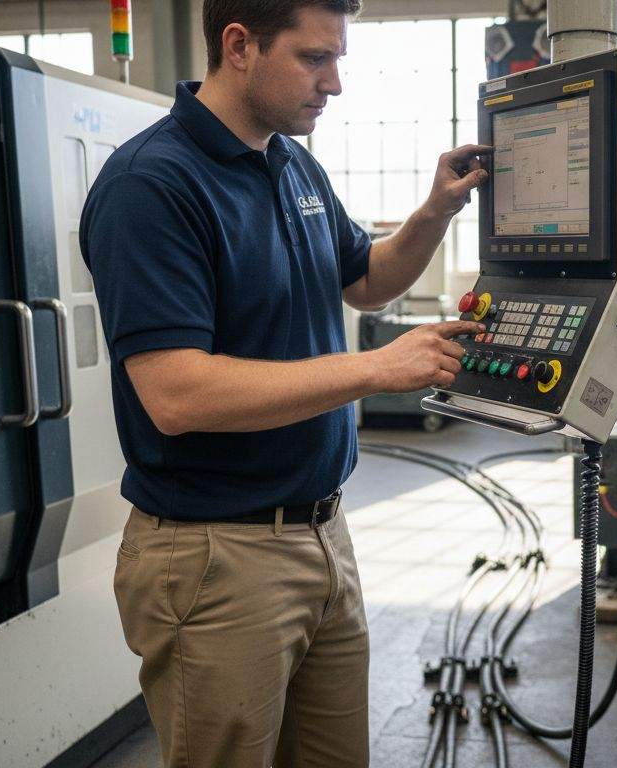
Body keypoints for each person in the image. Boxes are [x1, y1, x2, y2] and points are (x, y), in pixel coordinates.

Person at [78, 1, 488, 765]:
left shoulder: (292, 162)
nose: (335, 83)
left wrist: (436, 211)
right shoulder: (151, 185)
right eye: (314, 58)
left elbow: (366, 281)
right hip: (217, 556)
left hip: (324, 534)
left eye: (338, 60)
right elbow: (176, 396)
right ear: (239, 45)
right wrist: (378, 369)